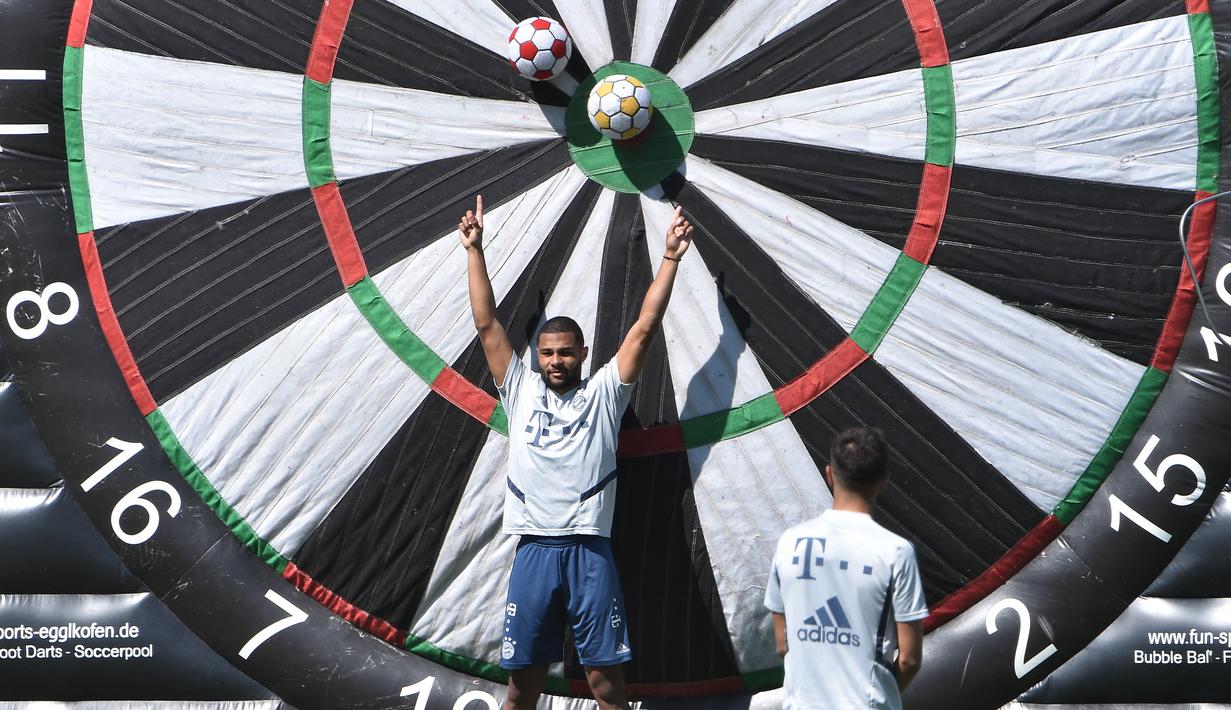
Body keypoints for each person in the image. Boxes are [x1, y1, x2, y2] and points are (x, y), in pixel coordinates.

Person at [458, 194, 693, 710]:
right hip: (534, 551)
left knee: (607, 686)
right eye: (547, 353)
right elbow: (487, 324)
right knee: (522, 687)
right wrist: (474, 251)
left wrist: (670, 257)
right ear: (536, 356)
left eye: (565, 352)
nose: (556, 361)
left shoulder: (606, 393)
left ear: (583, 354)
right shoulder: (519, 388)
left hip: (590, 552)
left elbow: (644, 328)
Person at [764, 427, 927, 710]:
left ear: (829, 475)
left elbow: (783, 644)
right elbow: (909, 659)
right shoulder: (896, 552)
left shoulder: (789, 542)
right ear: (884, 481)